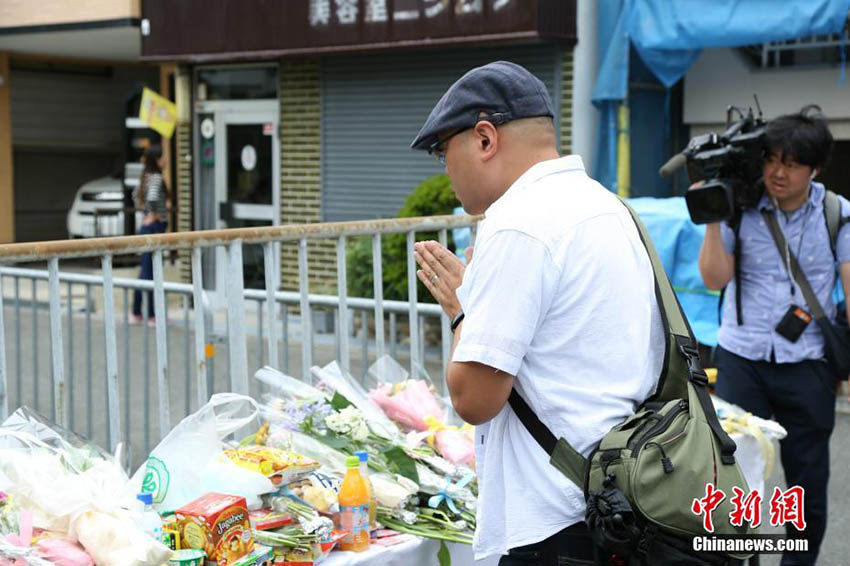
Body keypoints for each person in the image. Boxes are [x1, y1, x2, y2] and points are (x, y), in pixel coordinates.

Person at [409, 61, 665, 565]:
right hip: (626, 495)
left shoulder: (518, 224)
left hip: (558, 519)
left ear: (485, 139)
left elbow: (474, 398)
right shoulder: (607, 206)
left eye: (444, 150)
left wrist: (462, 312)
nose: (444, 167)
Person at [698, 105, 850, 566]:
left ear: (815, 168)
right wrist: (712, 213)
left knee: (806, 483)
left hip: (808, 363)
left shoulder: (836, 213)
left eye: (791, 163)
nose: (777, 172)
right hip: (742, 359)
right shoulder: (739, 207)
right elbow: (713, 279)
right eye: (771, 160)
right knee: (737, 477)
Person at [131, 144, 169, 323]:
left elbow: (135, 195)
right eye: (164, 157)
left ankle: (137, 312)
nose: (167, 160)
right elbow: (153, 198)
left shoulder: (146, 177)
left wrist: (146, 212)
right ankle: (153, 315)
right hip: (153, 228)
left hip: (148, 227)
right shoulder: (155, 177)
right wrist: (154, 215)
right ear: (157, 159)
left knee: (145, 272)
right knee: (151, 273)